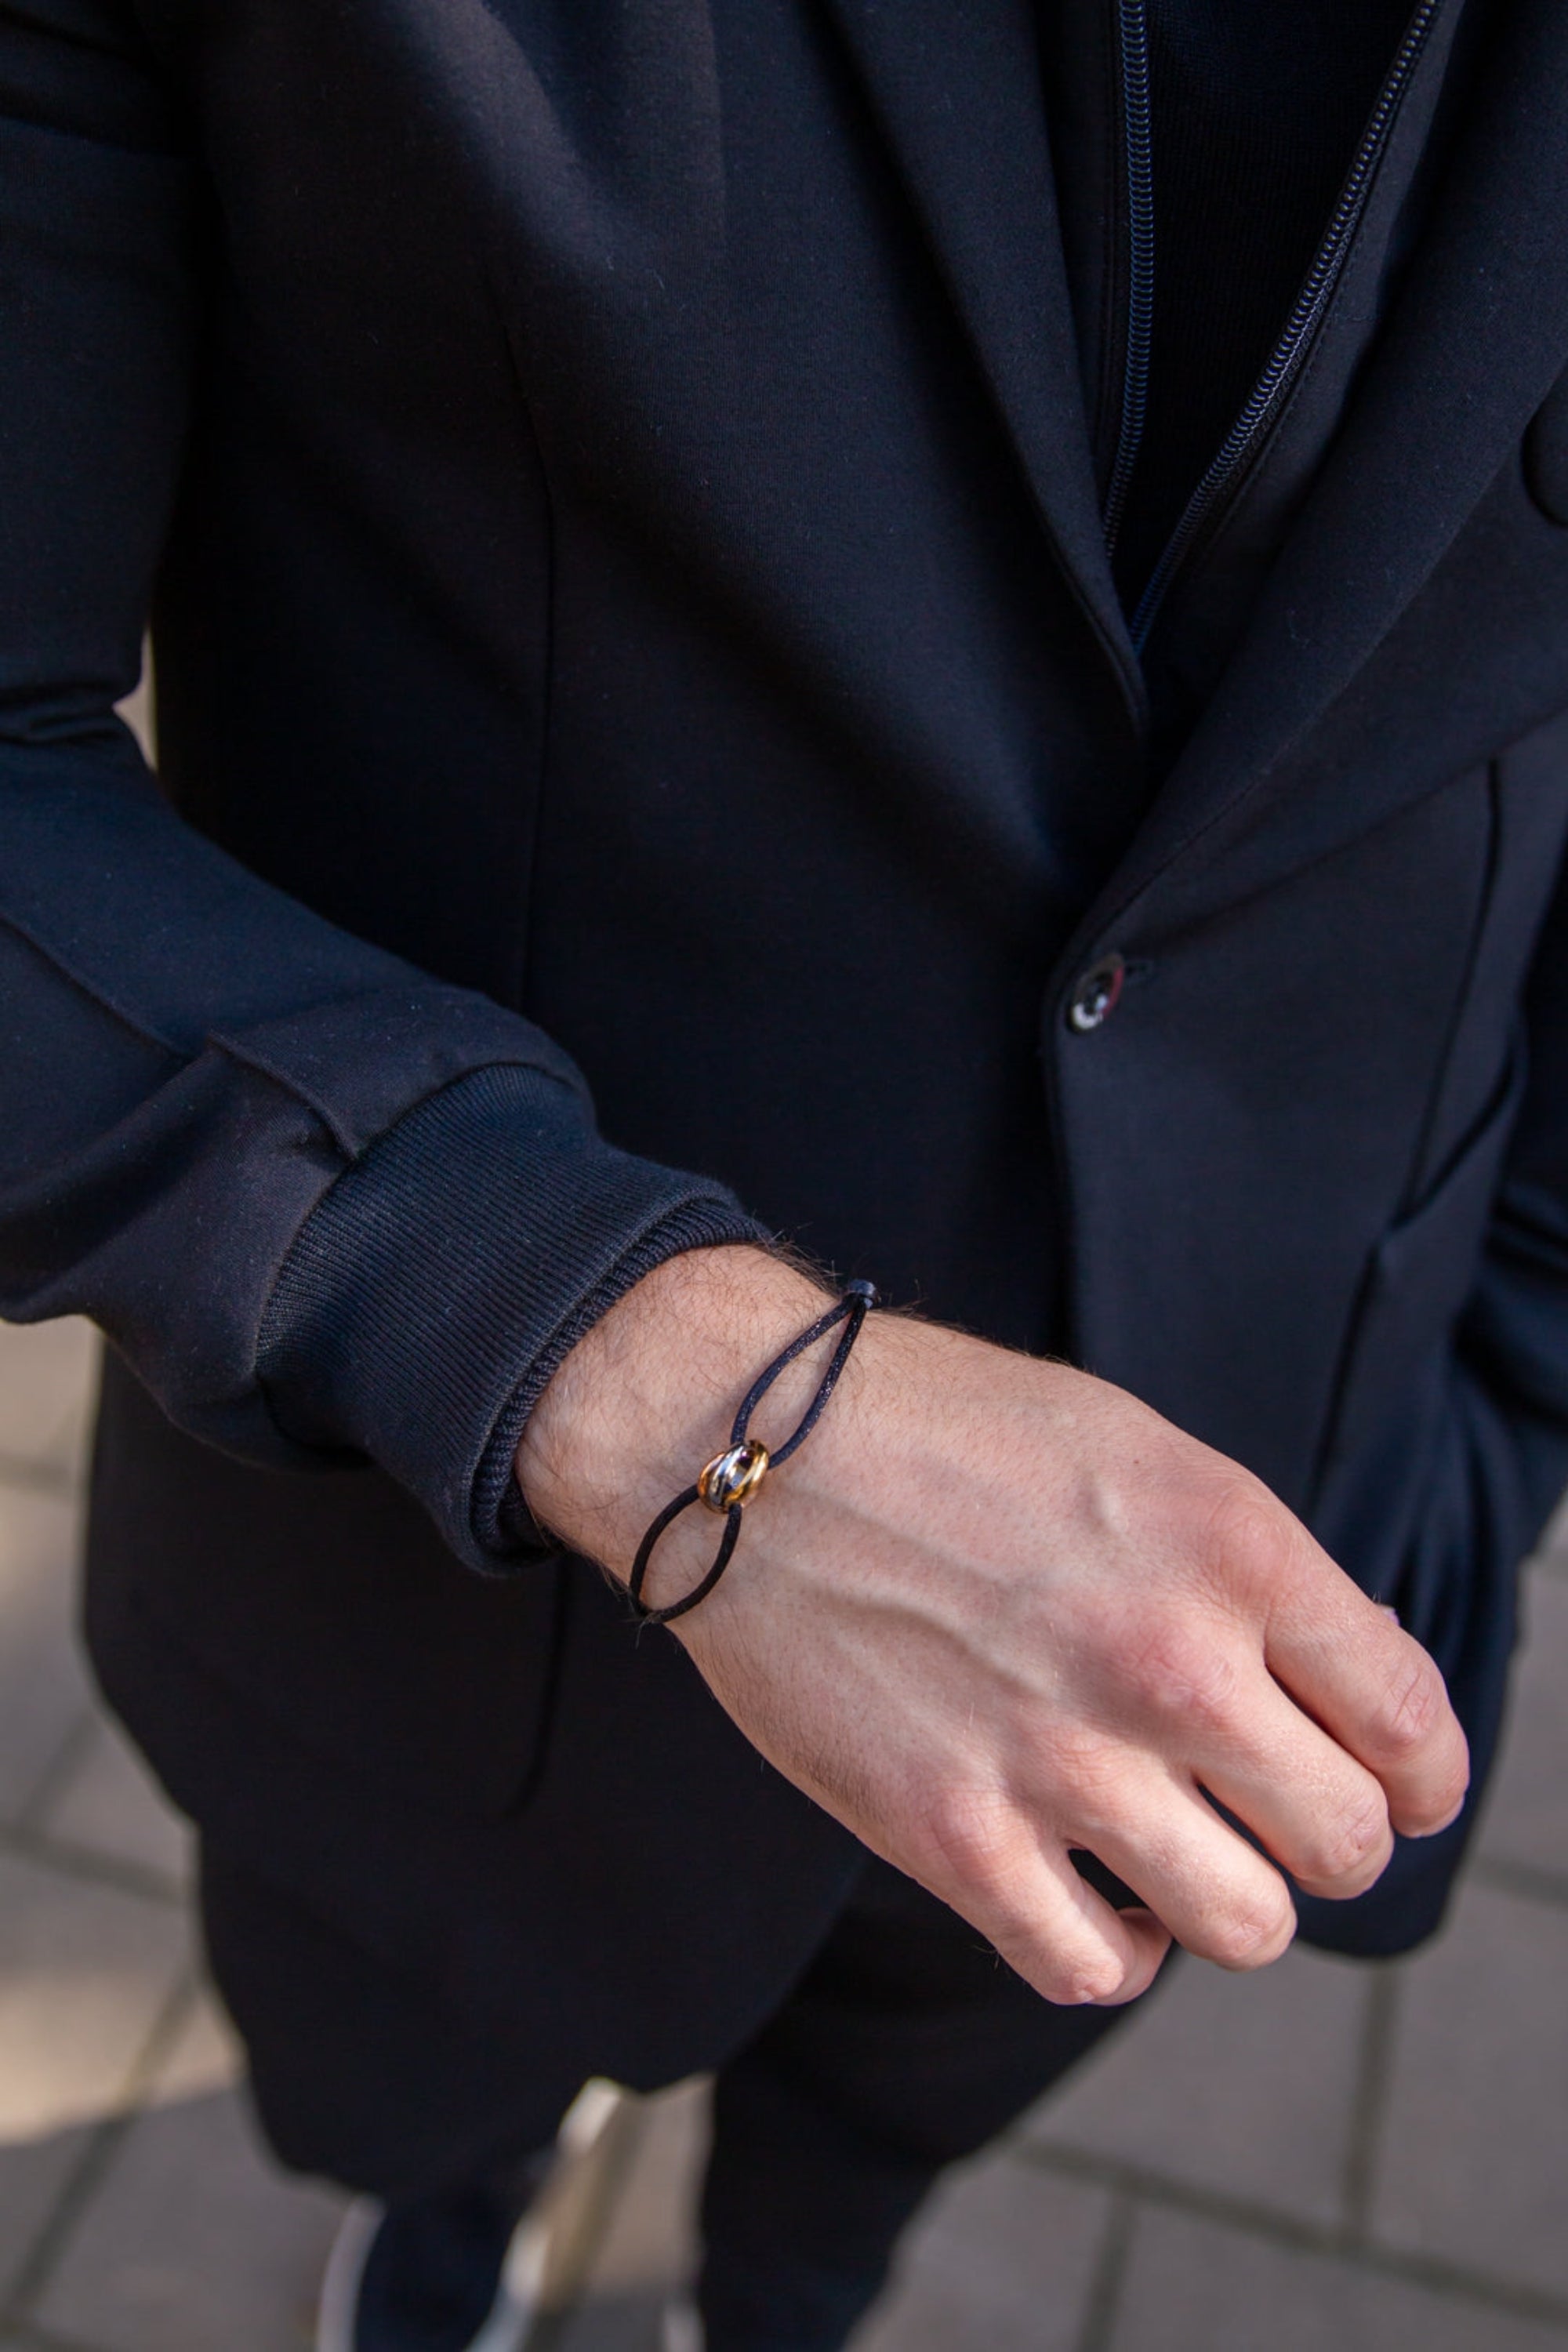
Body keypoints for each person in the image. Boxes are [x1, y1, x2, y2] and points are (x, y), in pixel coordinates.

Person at [2, 0, 1566, 2346]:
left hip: (1244, 1579)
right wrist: (611, 1355)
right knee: (413, 2099)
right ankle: (451, 2235)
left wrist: (1493, 1413)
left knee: (874, 2160)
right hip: (427, 1584)